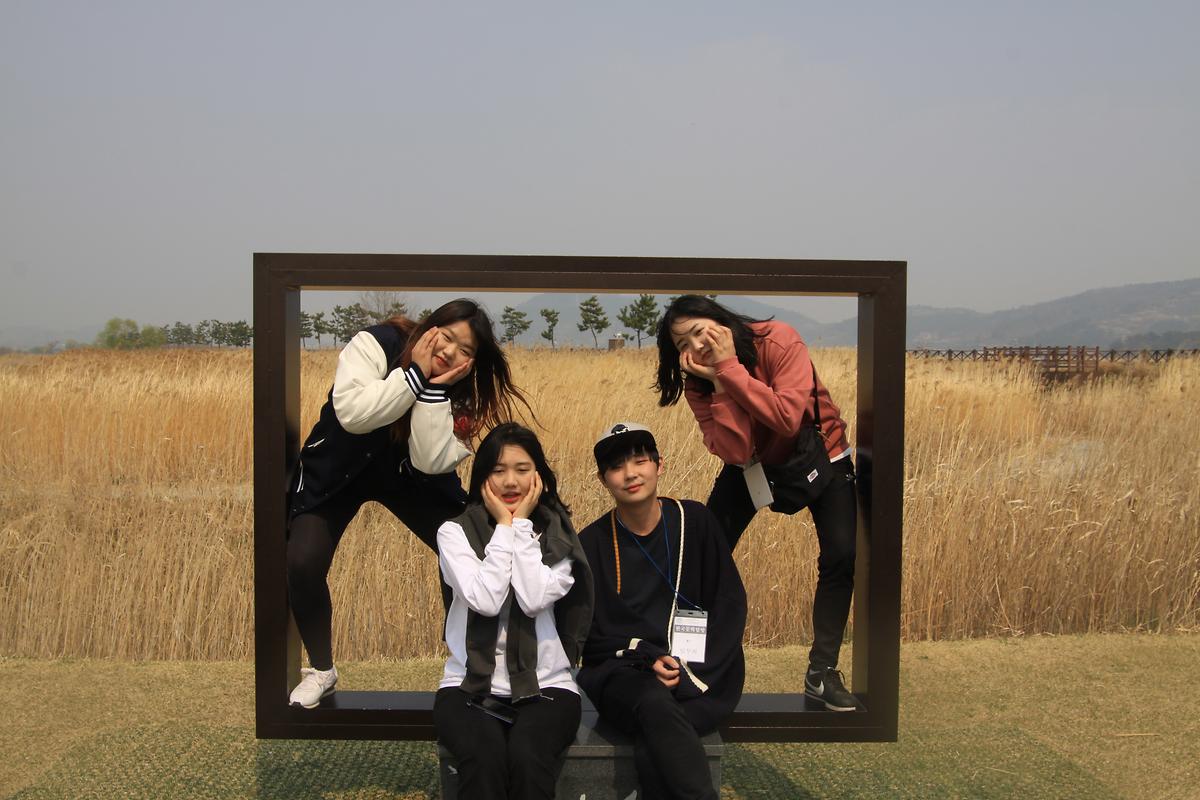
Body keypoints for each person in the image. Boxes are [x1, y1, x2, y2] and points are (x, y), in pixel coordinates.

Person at [286, 299, 527, 708]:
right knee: (302, 561)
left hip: (413, 477)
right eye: (446, 337)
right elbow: (353, 414)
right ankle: (323, 671)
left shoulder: (465, 391)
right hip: (338, 469)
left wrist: (433, 390)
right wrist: (414, 375)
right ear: (429, 326)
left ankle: (470, 664)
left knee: (470, 549)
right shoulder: (376, 342)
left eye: (465, 350)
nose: (449, 352)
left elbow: (430, 461)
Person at [655, 294, 860, 712]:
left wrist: (729, 368)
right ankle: (684, 665)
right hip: (751, 466)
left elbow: (787, 417)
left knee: (841, 557)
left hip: (822, 454)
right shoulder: (698, 382)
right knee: (699, 560)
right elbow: (734, 451)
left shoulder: (778, 340)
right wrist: (719, 382)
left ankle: (821, 672)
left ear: (721, 321)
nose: (696, 347)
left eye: (699, 332)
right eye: (682, 344)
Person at [577, 422, 746, 800]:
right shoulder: (591, 543)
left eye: (640, 461)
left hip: (702, 672)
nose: (630, 474)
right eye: (617, 467)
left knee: (658, 734)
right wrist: (647, 658)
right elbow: (593, 636)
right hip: (627, 674)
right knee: (653, 702)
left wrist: (687, 671)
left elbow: (729, 604)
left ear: (659, 465)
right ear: (603, 479)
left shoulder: (695, 522)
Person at [434, 422, 593, 800]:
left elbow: (533, 598)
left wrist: (519, 526)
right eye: (498, 470)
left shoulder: (558, 536)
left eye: (522, 469)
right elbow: (486, 600)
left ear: (538, 476)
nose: (510, 482)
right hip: (468, 686)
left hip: (547, 686)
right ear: (482, 477)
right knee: (483, 757)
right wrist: (506, 529)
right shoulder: (454, 534)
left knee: (528, 756)